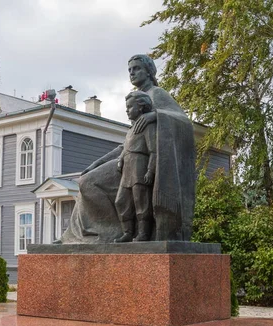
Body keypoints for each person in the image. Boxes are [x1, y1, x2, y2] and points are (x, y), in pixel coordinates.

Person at [59, 54, 195, 243]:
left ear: (148, 71)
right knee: (86, 179)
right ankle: (78, 234)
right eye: (129, 70)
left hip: (142, 163)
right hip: (127, 158)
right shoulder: (135, 98)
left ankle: (106, 233)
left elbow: (183, 123)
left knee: (88, 183)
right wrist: (97, 163)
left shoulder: (156, 93)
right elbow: (127, 142)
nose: (132, 73)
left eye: (136, 68)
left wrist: (155, 115)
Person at [114, 91, 157, 242]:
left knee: (141, 201)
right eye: (126, 108)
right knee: (121, 201)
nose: (127, 110)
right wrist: (120, 159)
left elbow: (153, 150)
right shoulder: (130, 130)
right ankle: (127, 232)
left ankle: (143, 233)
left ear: (140, 107)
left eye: (130, 107)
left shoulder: (147, 126)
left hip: (140, 165)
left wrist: (150, 171)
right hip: (127, 169)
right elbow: (126, 148)